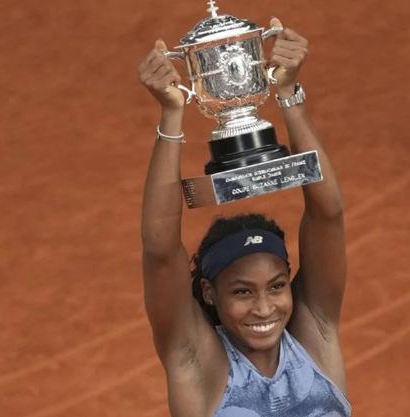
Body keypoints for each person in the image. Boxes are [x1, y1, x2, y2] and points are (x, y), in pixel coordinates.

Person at [138, 18, 350, 417]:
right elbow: (160, 250)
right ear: (208, 292)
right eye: (241, 291)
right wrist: (171, 115)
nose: (265, 308)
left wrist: (287, 93)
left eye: (276, 285)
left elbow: (329, 215)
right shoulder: (197, 363)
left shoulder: (313, 334)